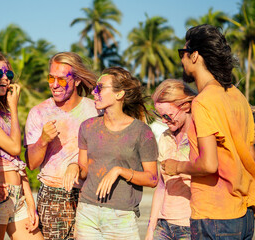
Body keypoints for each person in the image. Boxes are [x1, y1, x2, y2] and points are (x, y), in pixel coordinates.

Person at [162, 24, 255, 239]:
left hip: (214, 214)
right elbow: (250, 154)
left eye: (182, 53)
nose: (181, 59)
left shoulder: (203, 102)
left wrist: (176, 166)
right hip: (244, 213)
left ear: (195, 56)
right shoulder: (237, 97)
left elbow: (209, 164)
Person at [64, 67, 158, 240]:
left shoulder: (141, 132)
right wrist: (73, 167)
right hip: (87, 213)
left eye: (100, 87)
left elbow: (152, 179)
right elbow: (84, 169)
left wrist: (119, 171)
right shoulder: (87, 127)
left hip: (121, 217)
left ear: (119, 94)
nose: (94, 92)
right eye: (95, 88)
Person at [24, 52, 99, 240]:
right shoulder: (39, 113)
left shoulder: (95, 111)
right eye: (51, 78)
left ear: (77, 80)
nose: (54, 85)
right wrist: (42, 140)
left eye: (62, 79)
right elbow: (31, 164)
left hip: (90, 195)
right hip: (53, 197)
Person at [0, 51, 44, 240]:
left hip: (18, 196)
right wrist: (14, 108)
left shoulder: (4, 113)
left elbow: (16, 160)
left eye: (9, 75)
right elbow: (14, 147)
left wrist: (29, 198)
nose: (5, 79)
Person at [145, 79, 197, 240]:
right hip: (164, 224)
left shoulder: (201, 138)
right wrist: (150, 229)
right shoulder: (165, 137)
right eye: (160, 116)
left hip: (190, 224)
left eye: (168, 115)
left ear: (186, 106)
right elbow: (161, 186)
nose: (165, 121)